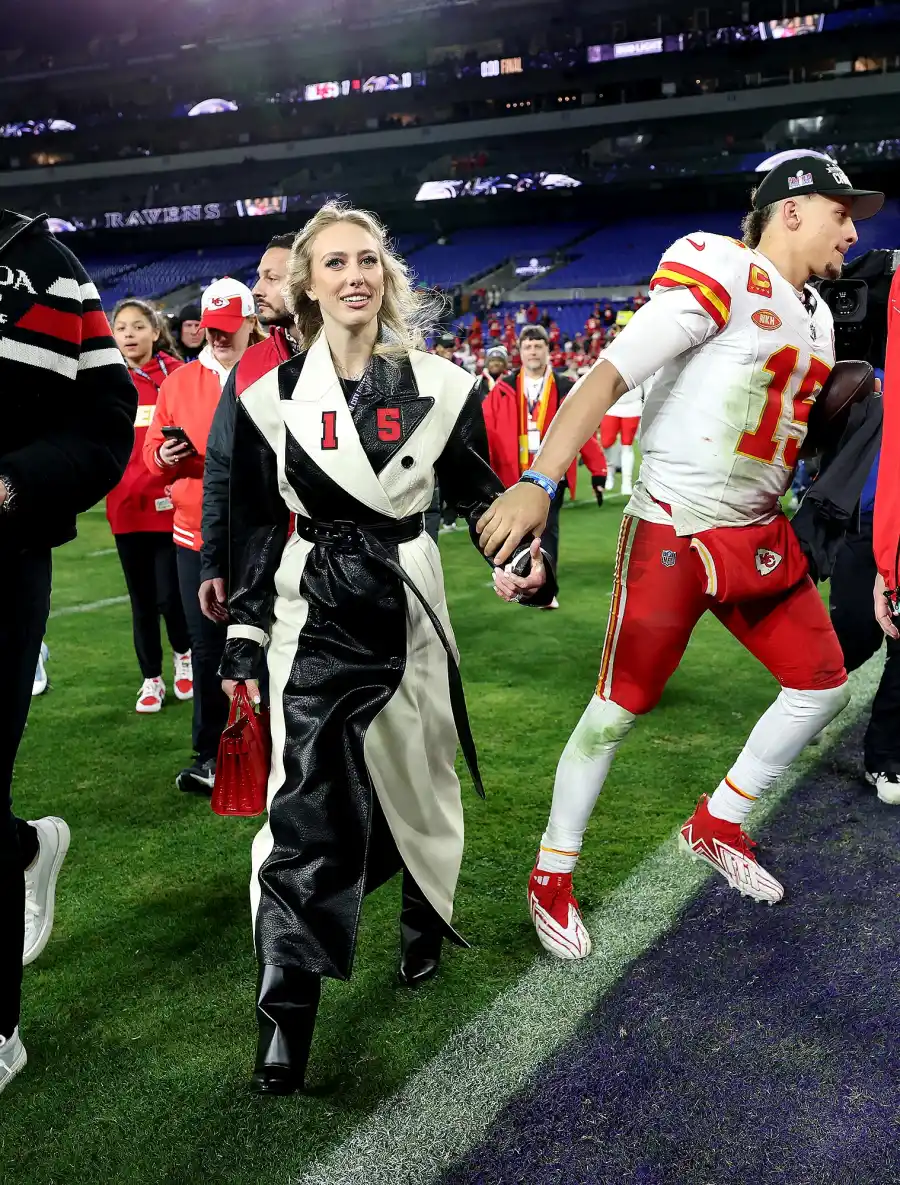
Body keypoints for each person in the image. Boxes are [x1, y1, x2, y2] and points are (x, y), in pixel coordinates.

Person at [478, 155, 884, 959]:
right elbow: (608, 371)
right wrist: (539, 479)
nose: (852, 228)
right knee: (616, 710)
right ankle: (551, 873)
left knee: (822, 685)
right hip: (673, 528)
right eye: (840, 211)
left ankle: (718, 820)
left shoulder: (820, 316)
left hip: (758, 530)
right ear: (790, 210)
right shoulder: (721, 267)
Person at [217, 201, 553, 1095]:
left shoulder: (443, 385)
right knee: (309, 804)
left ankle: (418, 907)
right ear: (307, 286)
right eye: (334, 263)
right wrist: (244, 641)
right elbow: (251, 527)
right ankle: (284, 1013)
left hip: (407, 593)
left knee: (418, 771)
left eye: (367, 259)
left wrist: (526, 556)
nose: (354, 275)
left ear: (387, 276)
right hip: (311, 602)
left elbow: (484, 496)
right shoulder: (264, 396)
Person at [0, 209, 136, 1093]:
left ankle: (0, 1029)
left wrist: (14, 482)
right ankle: (18, 849)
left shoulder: (42, 265)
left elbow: (106, 418)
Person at [144, 278, 264, 794]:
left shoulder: (272, 375)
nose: (217, 338)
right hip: (194, 534)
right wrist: (163, 457)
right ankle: (211, 753)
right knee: (209, 644)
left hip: (262, 534)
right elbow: (153, 451)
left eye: (227, 329)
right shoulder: (178, 383)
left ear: (251, 324)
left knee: (269, 640)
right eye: (209, 329)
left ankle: (278, 749)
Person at [199, 235, 300, 627]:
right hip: (266, 564)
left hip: (352, 565)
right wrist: (214, 563)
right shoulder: (250, 368)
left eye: (272, 278)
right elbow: (221, 469)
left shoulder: (359, 360)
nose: (257, 289)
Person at [482, 324, 607, 608]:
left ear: (548, 351)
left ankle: (546, 591)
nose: (533, 351)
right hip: (512, 476)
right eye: (528, 347)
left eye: (539, 346)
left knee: (546, 530)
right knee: (509, 531)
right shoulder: (503, 389)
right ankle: (516, 581)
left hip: (552, 475)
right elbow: (486, 430)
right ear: (520, 353)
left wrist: (597, 471)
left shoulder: (565, 388)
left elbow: (581, 428)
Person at [109, 298, 193, 714]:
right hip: (124, 508)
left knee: (169, 597)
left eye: (138, 326)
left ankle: (184, 655)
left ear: (156, 332)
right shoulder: (105, 380)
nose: (129, 334)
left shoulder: (177, 377)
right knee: (140, 601)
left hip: (168, 507)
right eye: (121, 327)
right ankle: (151, 679)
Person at [600, 382, 644, 496]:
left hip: (633, 405)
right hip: (612, 404)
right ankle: (609, 471)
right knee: (606, 442)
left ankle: (626, 482)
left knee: (627, 444)